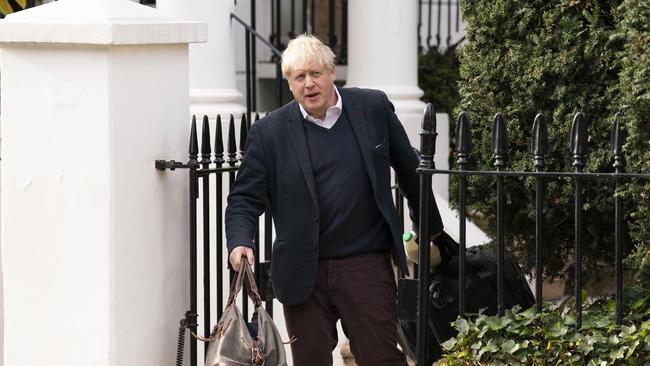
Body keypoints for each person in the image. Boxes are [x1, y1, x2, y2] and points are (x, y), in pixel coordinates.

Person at [225, 34, 443, 366]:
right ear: (290, 83)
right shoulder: (269, 133)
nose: (309, 84)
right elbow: (243, 197)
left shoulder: (372, 108)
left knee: (381, 357)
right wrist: (240, 240)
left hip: (366, 264)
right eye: (300, 77)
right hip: (303, 272)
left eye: (316, 74)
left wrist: (428, 228)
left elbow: (411, 169)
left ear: (332, 72)